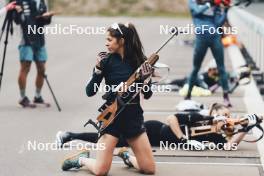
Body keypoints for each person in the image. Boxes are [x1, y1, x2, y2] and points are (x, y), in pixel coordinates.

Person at [61, 23, 156, 175]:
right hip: (111, 118)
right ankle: (81, 159)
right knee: (100, 171)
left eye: (110, 39)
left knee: (149, 169)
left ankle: (126, 157)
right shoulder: (106, 61)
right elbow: (90, 92)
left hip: (133, 117)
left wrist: (145, 79)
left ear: (122, 41)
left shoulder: (140, 61)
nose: (106, 43)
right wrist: (97, 71)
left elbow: (148, 94)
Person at [56, 102, 259, 168]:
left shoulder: (217, 135)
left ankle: (84, 149)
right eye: (222, 114)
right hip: (155, 131)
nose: (226, 118)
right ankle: (70, 135)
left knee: (119, 145)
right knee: (113, 137)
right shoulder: (199, 117)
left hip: (158, 140)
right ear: (213, 112)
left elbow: (228, 146)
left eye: (228, 116)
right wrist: (183, 140)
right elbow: (172, 118)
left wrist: (246, 127)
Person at [186, 0, 231, 107]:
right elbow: (196, 11)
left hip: (215, 37)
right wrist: (209, 4)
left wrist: (225, 10)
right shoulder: (193, 2)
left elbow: (218, 23)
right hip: (201, 38)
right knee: (196, 67)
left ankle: (226, 97)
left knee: (221, 68)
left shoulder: (214, 6)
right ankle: (188, 95)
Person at [13, 0, 55, 108]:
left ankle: (37, 96)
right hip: (26, 39)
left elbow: (45, 22)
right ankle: (22, 97)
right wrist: (19, 12)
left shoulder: (41, 2)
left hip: (39, 40)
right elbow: (17, 20)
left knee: (42, 69)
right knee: (25, 67)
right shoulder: (21, 1)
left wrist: (47, 17)